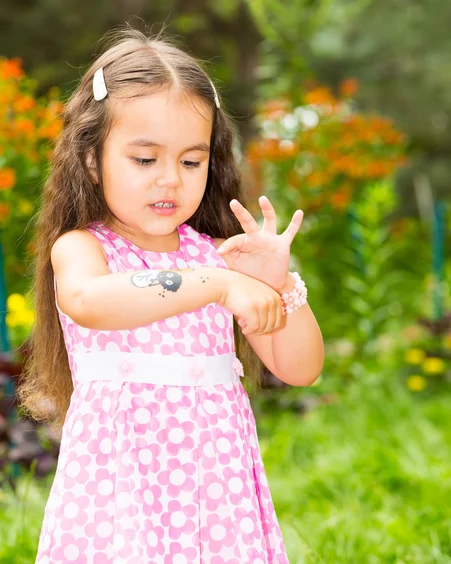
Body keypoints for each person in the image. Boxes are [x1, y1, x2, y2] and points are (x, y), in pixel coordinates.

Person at [18, 28, 324, 564]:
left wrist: (277, 283)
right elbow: (91, 301)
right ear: (92, 160)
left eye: (190, 161)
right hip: (120, 489)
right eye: (144, 159)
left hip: (215, 491)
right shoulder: (84, 249)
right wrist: (217, 284)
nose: (170, 180)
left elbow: (300, 368)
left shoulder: (218, 256)